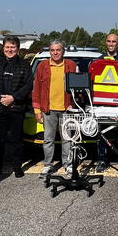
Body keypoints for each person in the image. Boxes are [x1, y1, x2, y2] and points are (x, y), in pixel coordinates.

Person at [0, 37, 34, 179]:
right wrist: (1, 98)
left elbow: (28, 85)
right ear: (3, 48)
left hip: (17, 107)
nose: (10, 50)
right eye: (7, 47)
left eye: (13, 47)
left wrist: (13, 98)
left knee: (17, 139)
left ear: (18, 49)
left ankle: (17, 167)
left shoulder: (24, 65)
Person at [32, 39, 78, 178]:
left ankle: (68, 165)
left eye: (58, 50)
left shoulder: (71, 65)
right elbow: (36, 90)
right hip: (48, 109)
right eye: (53, 50)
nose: (55, 53)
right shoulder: (42, 66)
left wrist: (74, 103)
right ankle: (48, 165)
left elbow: (79, 88)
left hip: (67, 110)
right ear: (49, 51)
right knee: (48, 140)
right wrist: (37, 110)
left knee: (67, 139)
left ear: (63, 51)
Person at [95, 33, 118, 173]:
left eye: (114, 41)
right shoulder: (98, 60)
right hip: (102, 104)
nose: (111, 44)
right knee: (101, 134)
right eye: (109, 41)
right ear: (105, 43)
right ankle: (101, 160)